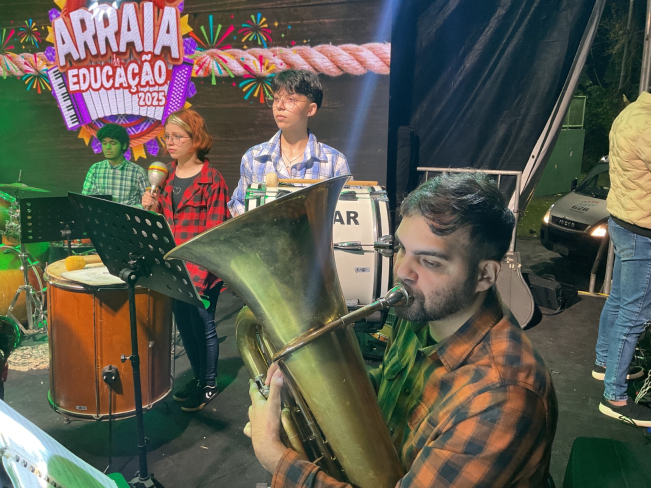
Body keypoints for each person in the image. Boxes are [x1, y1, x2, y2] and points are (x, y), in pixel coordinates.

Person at [244, 173, 558, 487]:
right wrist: (309, 390)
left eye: (430, 262)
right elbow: (386, 388)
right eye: (401, 248)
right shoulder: (423, 310)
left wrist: (274, 455)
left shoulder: (501, 398)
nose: (403, 271)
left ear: (484, 275)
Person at [142, 109, 229, 412]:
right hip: (174, 268)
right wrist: (151, 206)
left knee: (203, 327)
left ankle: (209, 384)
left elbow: (214, 234)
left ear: (196, 140)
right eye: (168, 137)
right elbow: (160, 226)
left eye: (178, 137)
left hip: (201, 270)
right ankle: (198, 377)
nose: (170, 142)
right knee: (185, 328)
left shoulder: (211, 180)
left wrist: (199, 279)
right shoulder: (164, 176)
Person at [594, 91, 651, 426]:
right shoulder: (647, 124)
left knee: (619, 301)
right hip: (642, 231)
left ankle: (604, 364)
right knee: (635, 315)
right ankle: (615, 397)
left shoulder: (632, 113)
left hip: (624, 222)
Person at [227, 69, 351, 217]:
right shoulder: (254, 158)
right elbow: (239, 203)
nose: (280, 106)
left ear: (310, 109)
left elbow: (348, 211)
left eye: (290, 99)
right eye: (276, 98)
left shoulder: (334, 162)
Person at [82, 123, 148, 207]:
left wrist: (129, 210)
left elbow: (148, 205)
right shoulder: (95, 169)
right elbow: (85, 201)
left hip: (128, 215)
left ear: (124, 145)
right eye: (104, 143)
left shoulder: (138, 172)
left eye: (112, 143)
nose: (107, 147)